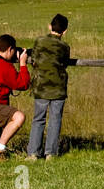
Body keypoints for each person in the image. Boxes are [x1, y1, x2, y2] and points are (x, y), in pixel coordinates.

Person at [27, 13, 71, 159]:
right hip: (58, 87)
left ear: (50, 26)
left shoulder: (39, 41)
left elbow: (33, 60)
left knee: (38, 118)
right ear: (65, 31)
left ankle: (33, 152)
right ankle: (50, 153)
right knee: (55, 119)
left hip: (41, 86)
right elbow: (64, 63)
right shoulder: (64, 46)